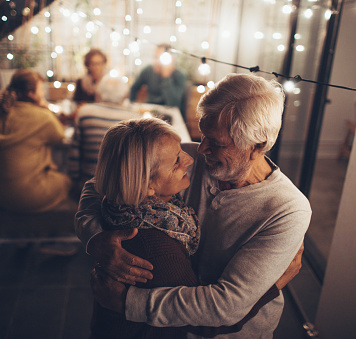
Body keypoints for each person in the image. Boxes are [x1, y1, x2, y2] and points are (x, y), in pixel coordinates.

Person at [76, 73, 311, 338]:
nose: (200, 150)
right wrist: (95, 237)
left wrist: (128, 303)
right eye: (203, 135)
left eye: (217, 143)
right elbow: (98, 185)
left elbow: (227, 306)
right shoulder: (183, 156)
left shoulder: (288, 209)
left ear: (257, 146)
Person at [87, 118, 283, 338]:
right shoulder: (159, 249)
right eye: (176, 161)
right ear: (147, 184)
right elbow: (206, 322)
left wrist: (91, 236)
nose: (190, 159)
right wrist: (275, 284)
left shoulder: (121, 204)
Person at [0, 69, 72, 213]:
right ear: (31, 94)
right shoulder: (42, 116)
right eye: (41, 89)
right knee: (66, 181)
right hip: (25, 195)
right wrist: (45, 107)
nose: (43, 93)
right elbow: (59, 136)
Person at [68, 74, 141, 186]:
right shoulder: (135, 118)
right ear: (124, 94)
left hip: (88, 182)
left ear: (100, 91)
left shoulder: (84, 112)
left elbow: (74, 152)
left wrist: (75, 181)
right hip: (121, 186)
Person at [129, 44, 187, 114]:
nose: (157, 61)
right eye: (155, 57)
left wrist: (166, 77)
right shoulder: (148, 70)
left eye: (161, 58)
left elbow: (173, 104)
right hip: (149, 111)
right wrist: (133, 106)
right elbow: (134, 88)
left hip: (169, 114)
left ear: (172, 59)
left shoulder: (180, 75)